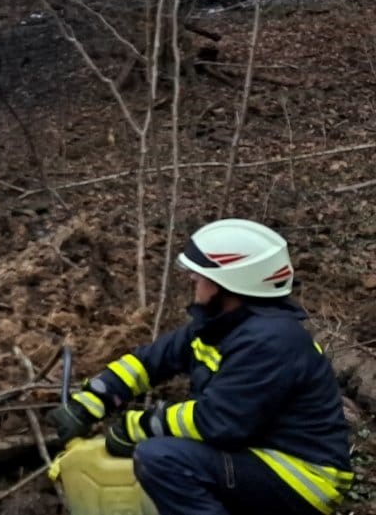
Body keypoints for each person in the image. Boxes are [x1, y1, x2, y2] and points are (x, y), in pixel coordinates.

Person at [49, 219, 353, 515]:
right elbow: (148, 362)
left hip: (301, 477)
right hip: (260, 455)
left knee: (162, 458)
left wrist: (135, 428)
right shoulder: (222, 326)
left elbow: (216, 422)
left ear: (229, 284)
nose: (193, 279)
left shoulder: (271, 341)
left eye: (200, 274)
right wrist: (90, 402)